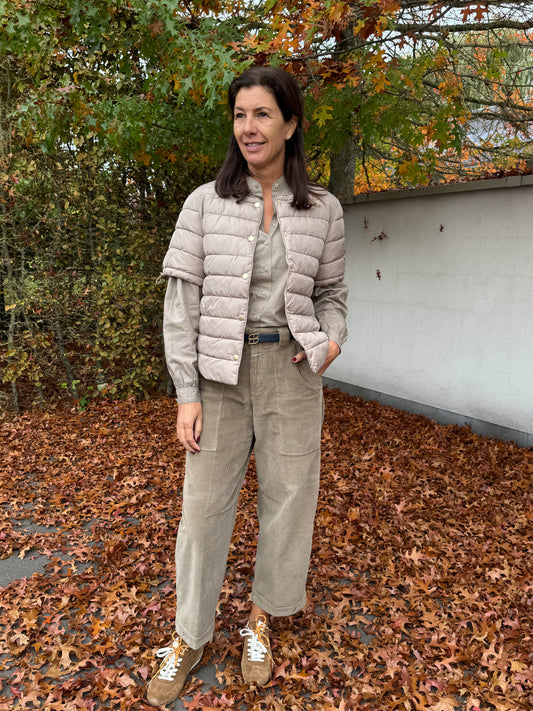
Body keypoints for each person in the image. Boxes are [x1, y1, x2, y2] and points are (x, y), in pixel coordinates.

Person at [145, 65, 348, 707]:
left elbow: (332, 293)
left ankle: (260, 618)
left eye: (262, 114)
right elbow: (181, 305)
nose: (249, 127)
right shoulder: (204, 204)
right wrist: (186, 391)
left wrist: (331, 340)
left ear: (290, 125)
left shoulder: (323, 209)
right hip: (219, 378)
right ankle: (190, 634)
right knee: (203, 509)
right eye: (240, 115)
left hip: (292, 373)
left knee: (289, 501)